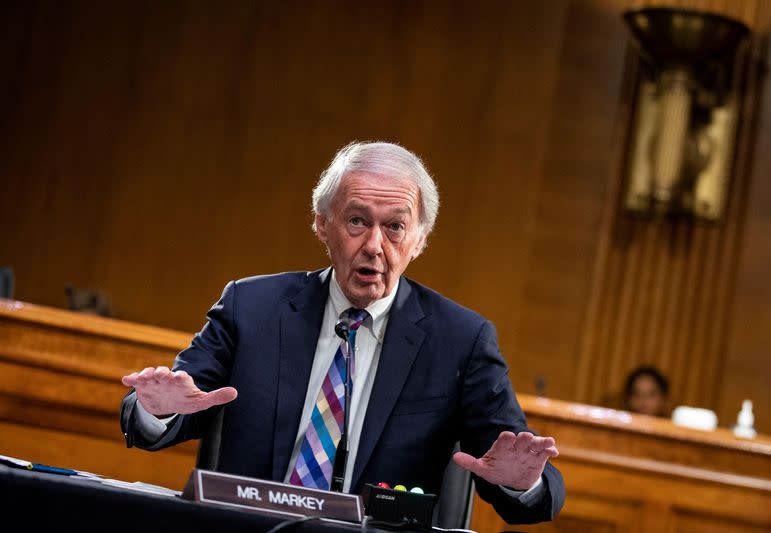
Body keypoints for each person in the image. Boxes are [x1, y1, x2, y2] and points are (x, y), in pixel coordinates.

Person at [120, 141, 565, 524]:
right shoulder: (251, 307)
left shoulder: (461, 341)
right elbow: (175, 409)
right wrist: (156, 411)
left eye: (395, 226)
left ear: (420, 239)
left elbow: (515, 465)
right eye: (357, 221)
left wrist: (521, 482)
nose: (374, 245)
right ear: (322, 223)